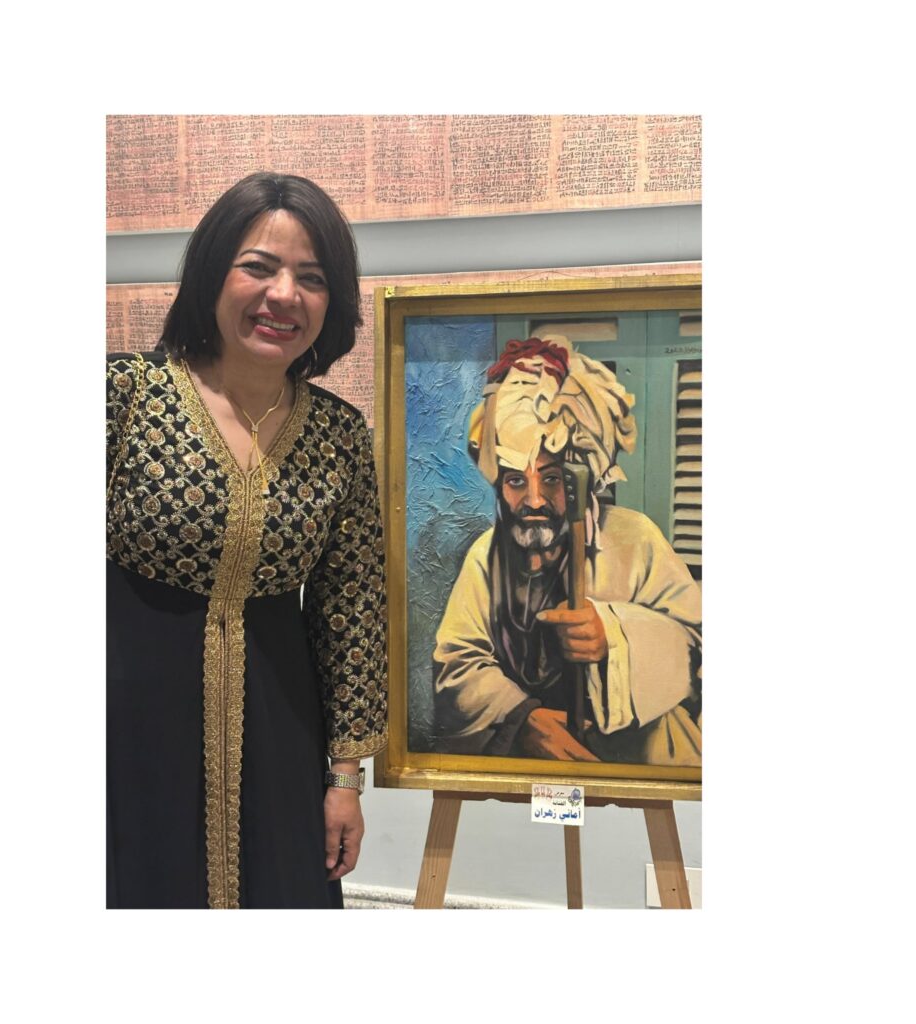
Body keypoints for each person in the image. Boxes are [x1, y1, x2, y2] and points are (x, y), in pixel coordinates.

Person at [107, 172, 388, 908]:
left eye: (312, 278)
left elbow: (352, 611)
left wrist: (345, 780)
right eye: (258, 267)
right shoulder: (124, 396)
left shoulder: (338, 435)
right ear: (211, 277)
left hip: (280, 734)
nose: (283, 295)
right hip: (126, 727)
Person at [432, 336, 701, 766]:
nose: (534, 500)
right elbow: (456, 663)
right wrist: (522, 717)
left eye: (552, 478)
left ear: (582, 478)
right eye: (516, 480)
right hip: (530, 761)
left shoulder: (636, 539)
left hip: (640, 756)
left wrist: (614, 635)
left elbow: (698, 647)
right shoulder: (486, 556)